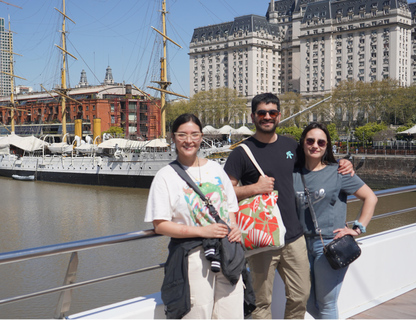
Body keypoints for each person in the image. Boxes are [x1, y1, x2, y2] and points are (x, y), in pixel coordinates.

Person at [224, 93, 353, 319]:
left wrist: (342, 162)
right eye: (261, 113)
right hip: (261, 238)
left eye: (272, 113)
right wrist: (254, 188)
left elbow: (317, 161)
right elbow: (223, 194)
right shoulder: (241, 153)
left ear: (279, 116)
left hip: (294, 237)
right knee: (261, 303)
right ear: (253, 116)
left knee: (301, 295)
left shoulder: (291, 145)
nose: (267, 117)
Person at [145, 113, 244, 319]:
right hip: (193, 256)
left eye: (194, 134)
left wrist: (235, 228)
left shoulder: (216, 168)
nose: (188, 140)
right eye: (182, 135)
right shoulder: (165, 176)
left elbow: (231, 208)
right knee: (198, 312)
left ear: (201, 137)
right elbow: (160, 225)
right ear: (173, 137)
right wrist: (202, 231)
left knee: (231, 313)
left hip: (227, 251)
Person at [293, 122, 377, 319]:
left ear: (327, 146)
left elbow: (370, 198)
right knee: (302, 298)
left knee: (327, 303)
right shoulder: (293, 173)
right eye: (310, 140)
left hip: (330, 245)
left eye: (321, 142)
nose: (315, 145)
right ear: (303, 143)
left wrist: (357, 228)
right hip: (300, 245)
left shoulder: (338, 172)